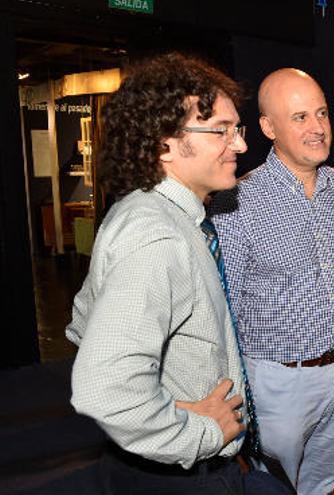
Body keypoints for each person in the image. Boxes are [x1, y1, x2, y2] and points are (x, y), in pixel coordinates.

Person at [67, 53, 287, 494]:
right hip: (178, 479)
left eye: (236, 129)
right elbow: (104, 390)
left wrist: (167, 398)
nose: (240, 145)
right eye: (221, 130)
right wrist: (198, 432)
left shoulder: (144, 212)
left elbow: (82, 325)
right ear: (164, 144)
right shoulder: (158, 237)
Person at [208, 68, 334, 495]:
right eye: (300, 117)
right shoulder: (237, 199)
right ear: (268, 127)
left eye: (322, 113)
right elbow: (221, 304)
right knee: (274, 488)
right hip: (274, 383)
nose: (318, 127)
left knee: (323, 484)